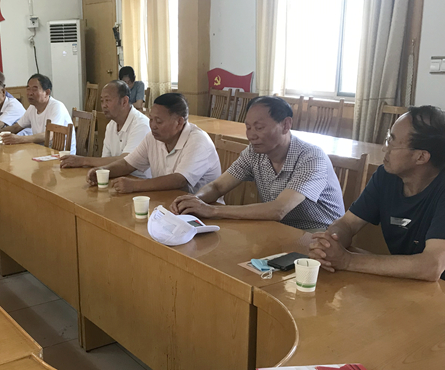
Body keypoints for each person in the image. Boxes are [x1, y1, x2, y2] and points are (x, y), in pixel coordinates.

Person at [309, 106, 445, 281]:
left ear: (421, 157)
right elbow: (348, 223)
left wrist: (347, 260)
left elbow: (432, 266)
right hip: (409, 284)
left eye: (392, 143)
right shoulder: (386, 176)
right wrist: (330, 244)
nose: (384, 149)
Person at [170, 96, 345, 230]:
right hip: (278, 229)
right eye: (248, 127)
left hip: (319, 235)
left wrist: (212, 210)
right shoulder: (254, 152)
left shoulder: (311, 157)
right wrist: (194, 201)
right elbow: (218, 186)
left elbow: (279, 209)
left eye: (259, 127)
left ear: (286, 125)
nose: (251, 135)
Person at [87, 93, 220, 194]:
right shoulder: (153, 137)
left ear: (179, 122)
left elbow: (179, 180)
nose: (153, 126)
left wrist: (134, 185)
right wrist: (104, 171)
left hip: (202, 209)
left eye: (159, 121)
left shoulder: (198, 141)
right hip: (165, 202)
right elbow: (128, 164)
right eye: (151, 119)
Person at [60, 80, 150, 178]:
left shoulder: (141, 125)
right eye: (102, 101)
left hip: (138, 181)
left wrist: (83, 160)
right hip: (117, 177)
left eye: (108, 100)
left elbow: (126, 161)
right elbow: (105, 160)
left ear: (124, 101)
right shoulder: (111, 125)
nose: (103, 105)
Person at [0, 74, 76, 154]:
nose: (30, 93)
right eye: (28, 89)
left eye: (34, 89)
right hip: (42, 151)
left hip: (61, 155)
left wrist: (21, 139)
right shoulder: (32, 107)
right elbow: (16, 127)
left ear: (47, 92)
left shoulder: (57, 107)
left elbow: (50, 135)